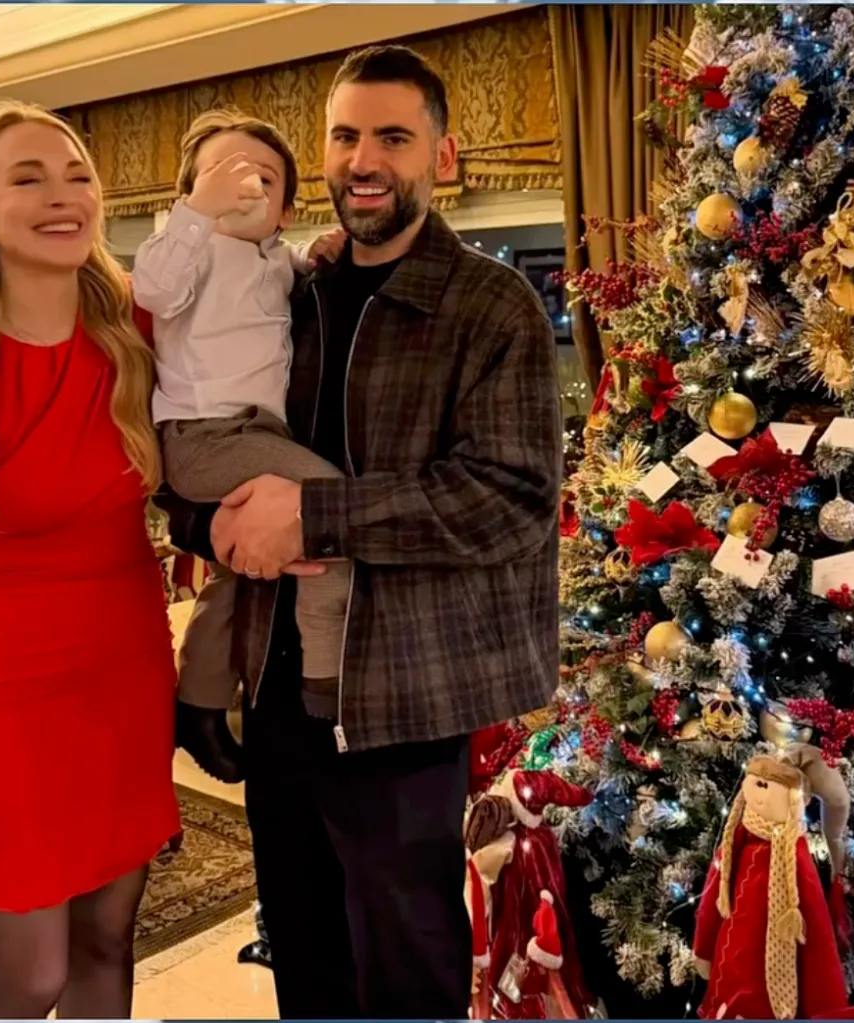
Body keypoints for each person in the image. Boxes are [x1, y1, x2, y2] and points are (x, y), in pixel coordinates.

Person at [159, 45, 562, 1019]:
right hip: (279, 688)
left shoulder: (486, 303)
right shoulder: (289, 289)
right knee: (303, 952)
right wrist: (208, 530)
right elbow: (209, 450)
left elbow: (506, 497)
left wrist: (316, 513)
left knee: (404, 965)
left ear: (444, 156)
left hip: (404, 700)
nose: (362, 158)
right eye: (344, 135)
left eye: (391, 136)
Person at [0, 100, 179, 1019]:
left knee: (109, 944)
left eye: (76, 173)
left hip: (129, 666)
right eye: (27, 178)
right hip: (12, 685)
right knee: (29, 973)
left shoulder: (140, 339)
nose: (62, 195)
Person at [133, 110, 346, 784]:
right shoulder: (187, 252)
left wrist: (319, 252)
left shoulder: (277, 259)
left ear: (285, 206)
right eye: (222, 174)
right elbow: (153, 289)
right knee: (332, 515)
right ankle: (328, 690)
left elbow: (295, 265)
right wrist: (196, 214)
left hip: (254, 437)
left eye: (263, 177)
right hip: (205, 435)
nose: (243, 187)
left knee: (234, 570)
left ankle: (195, 707)